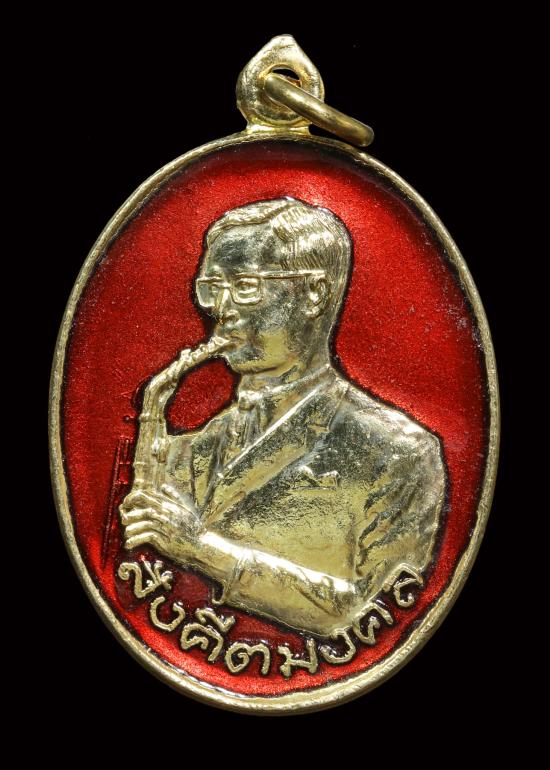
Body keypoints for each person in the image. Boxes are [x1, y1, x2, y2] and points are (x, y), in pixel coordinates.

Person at [119, 197, 446, 638]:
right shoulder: (186, 453)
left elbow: (372, 614)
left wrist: (202, 550)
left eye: (245, 285)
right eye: (212, 287)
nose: (221, 309)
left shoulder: (399, 452)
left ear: (314, 293)